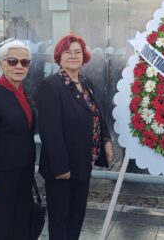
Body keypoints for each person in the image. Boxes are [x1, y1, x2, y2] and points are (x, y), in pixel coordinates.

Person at [37, 34, 114, 240]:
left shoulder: (86, 82)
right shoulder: (51, 85)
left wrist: (106, 139)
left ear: (84, 56)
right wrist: (61, 167)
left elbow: (97, 113)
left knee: (77, 215)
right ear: (59, 56)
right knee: (60, 218)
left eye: (77, 52)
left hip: (83, 162)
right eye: (68, 52)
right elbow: (49, 130)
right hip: (61, 168)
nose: (73, 56)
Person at [0, 41, 36, 239]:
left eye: (24, 62)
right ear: (1, 64)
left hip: (22, 172)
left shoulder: (21, 91)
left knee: (19, 224)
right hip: (1, 176)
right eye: (12, 61)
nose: (19, 66)